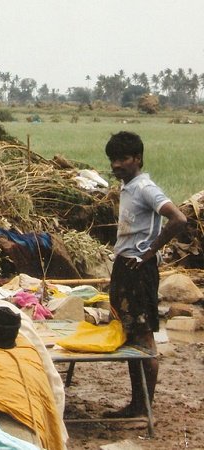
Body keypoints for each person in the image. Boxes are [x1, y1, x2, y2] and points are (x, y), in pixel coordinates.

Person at [103, 131, 187, 418]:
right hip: (125, 266)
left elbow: (178, 218)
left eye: (123, 158)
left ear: (137, 159)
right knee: (130, 335)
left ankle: (144, 406)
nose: (116, 164)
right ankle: (137, 403)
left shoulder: (145, 187)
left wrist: (150, 251)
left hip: (139, 270)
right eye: (113, 159)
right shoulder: (128, 187)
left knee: (144, 337)